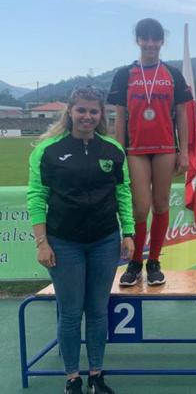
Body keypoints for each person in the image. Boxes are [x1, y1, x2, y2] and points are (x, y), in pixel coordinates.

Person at [27, 87, 135, 394]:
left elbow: (122, 193)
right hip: (64, 243)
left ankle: (96, 376)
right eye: (81, 110)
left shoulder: (113, 149)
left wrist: (128, 234)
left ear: (101, 114)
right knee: (71, 313)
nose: (87, 116)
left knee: (99, 311)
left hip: (104, 241)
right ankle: (72, 378)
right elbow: (37, 196)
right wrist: (42, 242)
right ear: (70, 112)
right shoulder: (47, 150)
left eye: (93, 111)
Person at [107, 18, 193, 287]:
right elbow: (119, 119)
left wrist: (184, 152)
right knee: (140, 208)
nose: (150, 44)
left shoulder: (172, 74)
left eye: (156, 39)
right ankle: (135, 262)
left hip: (166, 147)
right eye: (145, 39)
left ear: (161, 42)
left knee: (162, 204)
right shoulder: (125, 75)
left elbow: (182, 115)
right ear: (138, 41)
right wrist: (117, 152)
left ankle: (154, 261)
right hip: (135, 150)